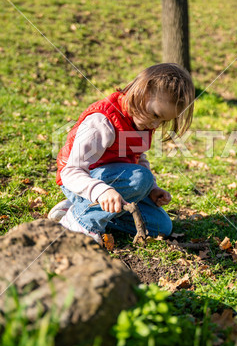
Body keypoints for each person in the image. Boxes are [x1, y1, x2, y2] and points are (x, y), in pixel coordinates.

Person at [48, 63, 195, 245]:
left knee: (161, 227)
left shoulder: (142, 121)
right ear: (142, 92)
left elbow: (137, 158)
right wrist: (102, 191)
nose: (156, 126)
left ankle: (81, 207)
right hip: (80, 181)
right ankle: (78, 222)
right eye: (156, 115)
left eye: (164, 121)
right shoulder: (102, 122)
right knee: (140, 178)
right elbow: (70, 171)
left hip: (113, 185)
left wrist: (152, 189)